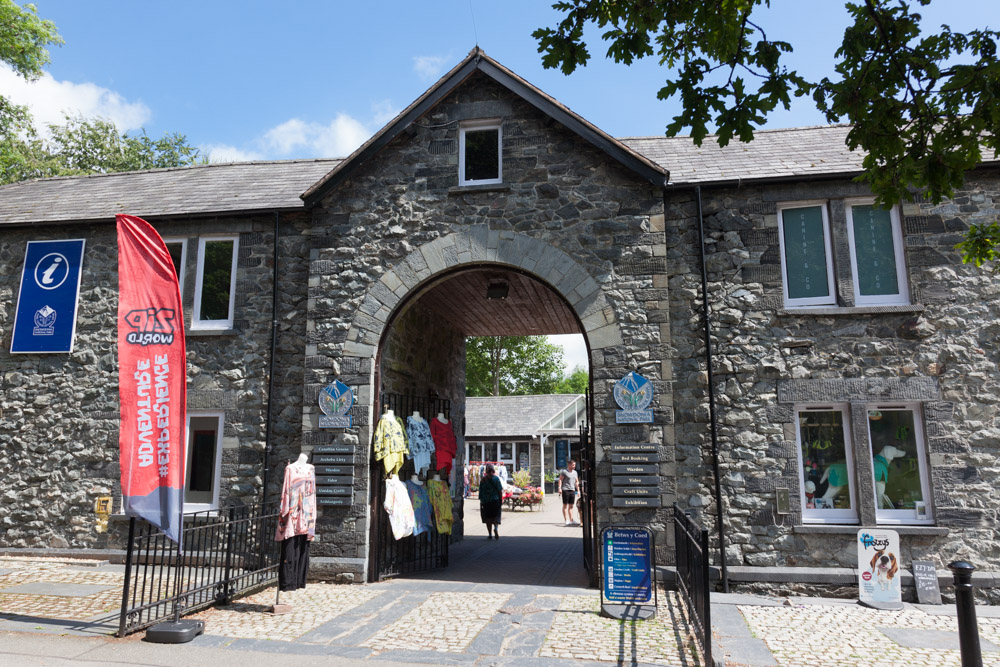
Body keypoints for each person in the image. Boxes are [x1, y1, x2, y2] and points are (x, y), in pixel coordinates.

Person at [479, 463, 503, 540]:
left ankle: (490, 534)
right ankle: (496, 528)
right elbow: (500, 490)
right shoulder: (496, 479)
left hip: (486, 501)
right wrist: (501, 500)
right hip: (495, 500)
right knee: (496, 516)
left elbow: (481, 490)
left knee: (488, 518)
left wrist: (481, 500)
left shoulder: (483, 480)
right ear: (493, 470)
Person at [558, 460, 580, 526]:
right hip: (565, 490)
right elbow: (560, 480)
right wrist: (559, 488)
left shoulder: (575, 472)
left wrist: (578, 490)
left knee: (571, 506)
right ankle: (566, 520)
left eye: (575, 465)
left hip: (572, 490)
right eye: (573, 465)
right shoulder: (564, 472)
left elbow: (576, 482)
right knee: (565, 505)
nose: (574, 466)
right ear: (569, 465)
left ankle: (572, 520)